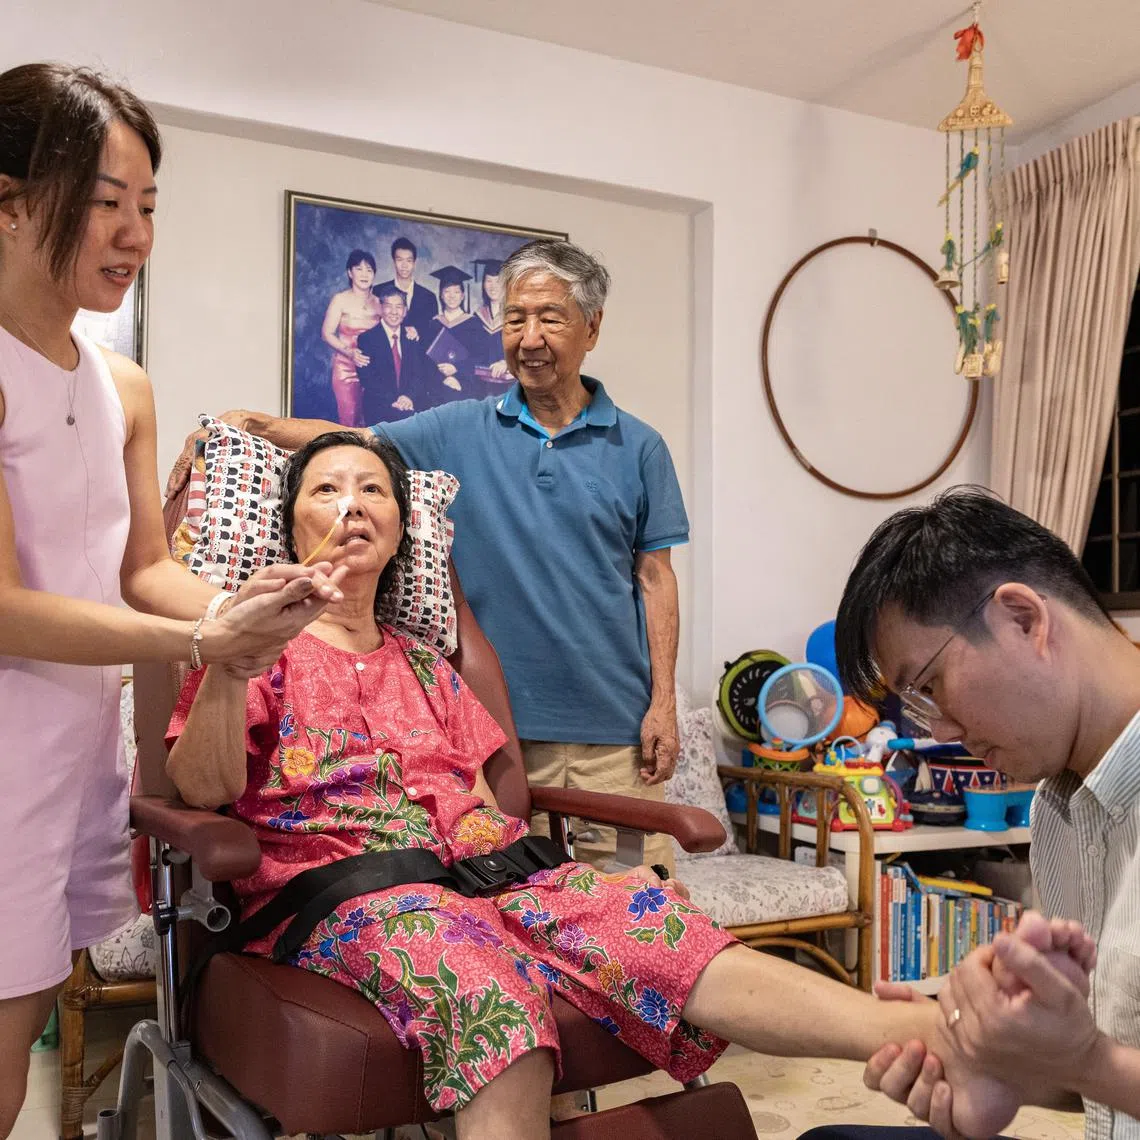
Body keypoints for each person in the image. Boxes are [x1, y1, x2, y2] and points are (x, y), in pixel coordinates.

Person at [165, 433, 1081, 1140]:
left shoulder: (431, 668)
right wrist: (234, 661)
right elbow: (202, 788)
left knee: (657, 923)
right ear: (289, 523)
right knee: (486, 991)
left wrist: (591, 893)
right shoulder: (249, 648)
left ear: (405, 528)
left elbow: (483, 812)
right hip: (346, 896)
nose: (352, 504)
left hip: (481, 882)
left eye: (374, 489)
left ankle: (939, 1034)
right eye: (325, 487)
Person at [0, 63, 343, 1137]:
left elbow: (140, 566)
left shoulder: (123, 385)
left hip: (78, 757)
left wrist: (255, 601)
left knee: (31, 1012)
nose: (135, 232)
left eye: (148, 205)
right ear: (10, 205)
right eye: (105, 201)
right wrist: (200, 631)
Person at [167, 240, 687, 875]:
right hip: (498, 732)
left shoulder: (640, 447)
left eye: (549, 318)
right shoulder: (458, 428)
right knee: (514, 894)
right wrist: (254, 423)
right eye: (514, 318)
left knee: (638, 906)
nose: (528, 337)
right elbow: (359, 445)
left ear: (593, 328)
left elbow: (655, 577)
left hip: (612, 731)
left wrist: (662, 703)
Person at [831, 486, 1140, 1139]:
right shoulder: (1058, 807)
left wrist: (1090, 1061)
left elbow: (1101, 1059)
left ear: (1024, 618)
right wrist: (1000, 1069)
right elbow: (1103, 1059)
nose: (940, 728)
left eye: (929, 688)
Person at [320, 248, 381, 427]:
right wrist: (350, 353)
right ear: (350, 272)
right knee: (349, 417)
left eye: (369, 270)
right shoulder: (340, 299)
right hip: (346, 368)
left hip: (372, 369)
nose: (364, 274)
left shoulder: (379, 302)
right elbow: (326, 333)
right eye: (359, 269)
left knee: (370, 419)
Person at [355, 284, 430, 424]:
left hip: (409, 404)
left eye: (399, 307)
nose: (394, 312)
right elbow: (368, 379)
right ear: (381, 308)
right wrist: (395, 400)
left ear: (405, 311)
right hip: (380, 406)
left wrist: (408, 397)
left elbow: (419, 374)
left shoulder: (411, 337)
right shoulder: (367, 339)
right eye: (389, 306)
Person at [423, 264, 485, 402]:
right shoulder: (433, 324)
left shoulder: (473, 324)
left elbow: (480, 357)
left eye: (456, 292)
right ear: (441, 294)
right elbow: (425, 360)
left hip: (465, 384)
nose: (452, 296)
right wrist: (443, 378)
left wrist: (456, 370)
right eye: (447, 292)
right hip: (436, 385)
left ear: (462, 296)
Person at [373, 235, 438, 341]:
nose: (404, 265)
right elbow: (375, 327)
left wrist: (418, 331)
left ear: (414, 263)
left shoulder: (429, 297)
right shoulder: (378, 291)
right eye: (400, 260)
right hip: (387, 354)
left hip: (418, 355)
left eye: (408, 261)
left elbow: (432, 332)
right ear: (394, 261)